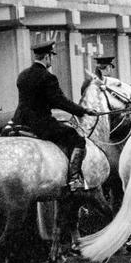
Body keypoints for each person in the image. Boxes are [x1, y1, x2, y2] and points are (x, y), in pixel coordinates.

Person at [13, 41, 99, 192]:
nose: (51, 60)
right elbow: (59, 101)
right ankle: (74, 179)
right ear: (47, 57)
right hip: (40, 123)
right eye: (51, 57)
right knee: (77, 138)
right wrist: (83, 110)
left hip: (19, 121)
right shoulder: (48, 77)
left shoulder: (23, 75)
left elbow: (35, 99)